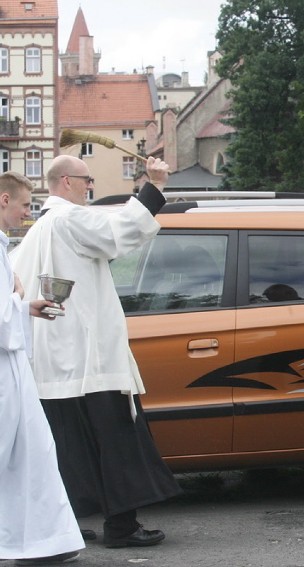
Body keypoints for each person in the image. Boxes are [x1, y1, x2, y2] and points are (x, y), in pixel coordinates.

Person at [10, 155, 182, 549]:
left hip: (52, 364)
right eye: (87, 180)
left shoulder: (39, 228)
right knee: (117, 443)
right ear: (67, 181)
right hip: (91, 359)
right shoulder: (67, 219)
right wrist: (154, 186)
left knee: (67, 450)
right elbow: (117, 231)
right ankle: (122, 528)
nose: (90, 187)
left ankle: (65, 524)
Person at [0, 172, 84, 565]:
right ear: (4, 200)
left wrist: (24, 306)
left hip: (12, 370)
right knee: (13, 454)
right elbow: (1, 323)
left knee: (34, 451)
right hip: (4, 372)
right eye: (22, 205)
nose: (26, 212)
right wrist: (18, 297)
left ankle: (45, 541)